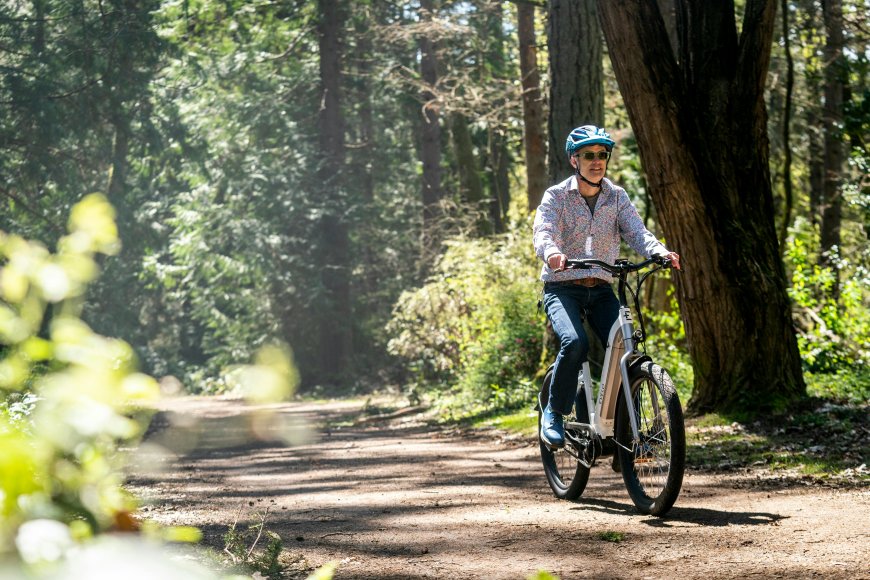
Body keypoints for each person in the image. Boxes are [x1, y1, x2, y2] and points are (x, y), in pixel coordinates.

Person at [532, 125, 680, 448]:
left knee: (626, 349)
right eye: (589, 155)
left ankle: (627, 431)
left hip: (600, 288)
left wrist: (659, 252)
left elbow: (638, 232)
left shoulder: (617, 197)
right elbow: (543, 231)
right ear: (575, 160)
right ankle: (555, 413)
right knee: (575, 342)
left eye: (602, 155)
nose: (597, 161)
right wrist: (553, 253)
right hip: (562, 288)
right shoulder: (556, 197)